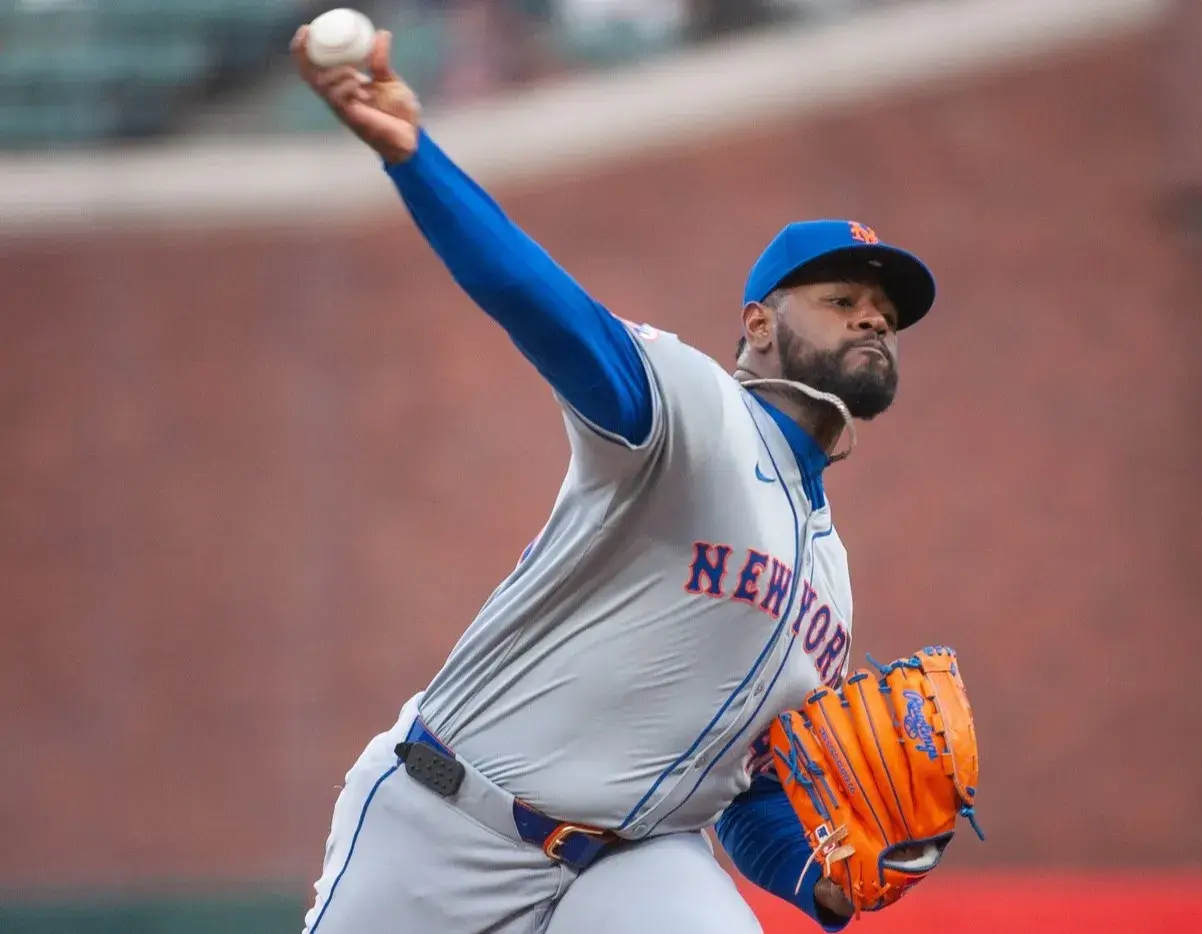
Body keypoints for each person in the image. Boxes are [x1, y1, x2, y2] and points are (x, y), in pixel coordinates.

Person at [290, 23, 940, 934]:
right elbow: (543, 306)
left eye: (884, 316)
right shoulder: (690, 412)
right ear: (757, 325)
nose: (872, 322)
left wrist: (820, 883)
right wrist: (415, 157)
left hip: (631, 865)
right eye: (842, 303)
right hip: (448, 824)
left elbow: (740, 789)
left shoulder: (830, 574)